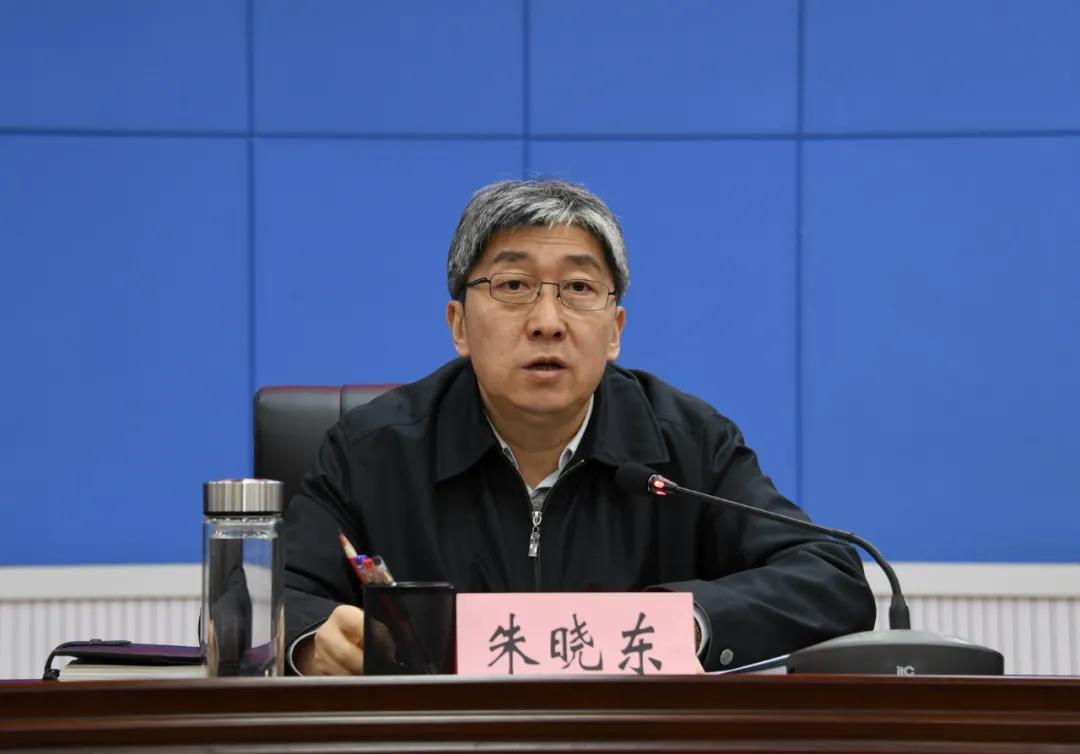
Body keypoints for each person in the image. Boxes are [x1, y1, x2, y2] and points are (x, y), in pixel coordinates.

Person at [283, 179, 876, 675]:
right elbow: (274, 597)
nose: (547, 321)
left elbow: (830, 578)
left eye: (579, 289)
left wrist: (683, 623)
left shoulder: (688, 444)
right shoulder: (371, 451)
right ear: (459, 324)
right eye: (513, 286)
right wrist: (310, 639)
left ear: (614, 330)